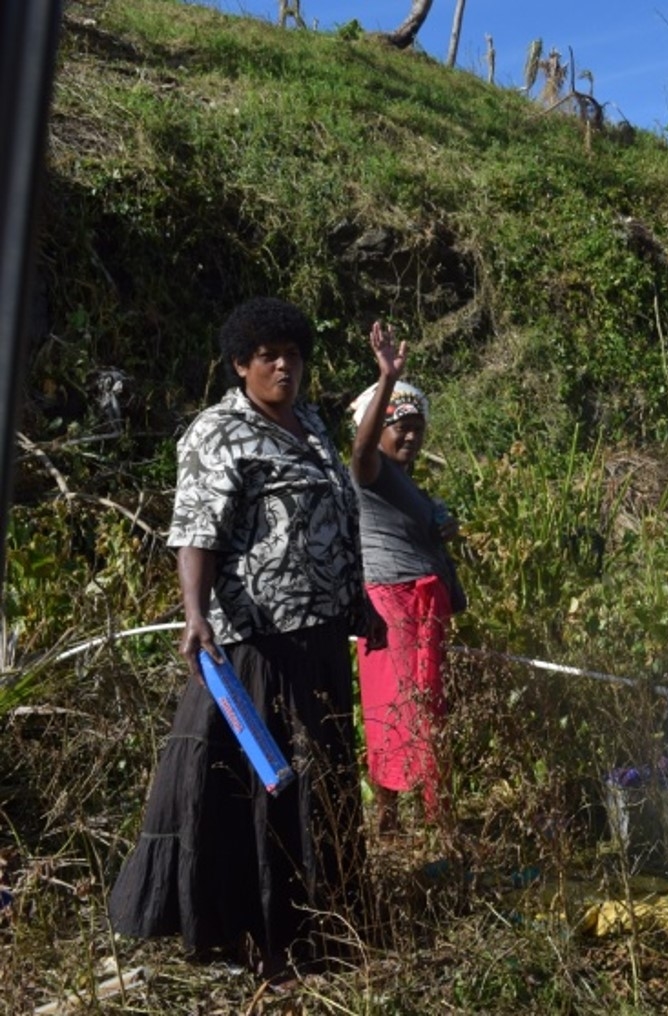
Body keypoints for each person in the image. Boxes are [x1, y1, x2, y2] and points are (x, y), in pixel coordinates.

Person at [108, 298, 384, 980]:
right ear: (240, 364)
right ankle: (254, 928)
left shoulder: (310, 424)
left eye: (292, 355)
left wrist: (359, 603)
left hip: (319, 633)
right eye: (268, 357)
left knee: (321, 776)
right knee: (262, 783)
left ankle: (324, 919)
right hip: (257, 640)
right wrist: (194, 613)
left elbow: (337, 515)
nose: (284, 367)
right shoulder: (219, 432)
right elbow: (195, 529)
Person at [349, 323, 465, 836]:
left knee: (427, 704)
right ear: (379, 428)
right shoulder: (369, 470)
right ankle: (390, 818)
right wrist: (387, 379)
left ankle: (434, 814)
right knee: (392, 707)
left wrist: (440, 528)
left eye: (418, 427)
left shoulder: (406, 483)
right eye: (401, 426)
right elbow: (361, 449)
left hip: (422, 601)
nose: (412, 436)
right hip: (390, 602)